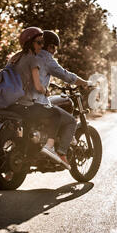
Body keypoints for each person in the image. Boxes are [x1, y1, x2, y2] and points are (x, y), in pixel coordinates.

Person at [6, 27, 67, 168]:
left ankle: (27, 151)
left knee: (30, 121)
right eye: (39, 43)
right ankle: (48, 148)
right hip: (26, 104)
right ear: (31, 44)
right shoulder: (33, 60)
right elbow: (38, 86)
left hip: (10, 103)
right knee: (56, 115)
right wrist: (45, 91)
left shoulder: (14, 58)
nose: (42, 46)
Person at [35, 30, 91, 166]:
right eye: (54, 47)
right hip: (36, 102)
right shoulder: (46, 58)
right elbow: (67, 76)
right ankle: (61, 152)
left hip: (19, 102)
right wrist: (84, 82)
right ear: (49, 46)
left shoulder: (27, 57)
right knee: (71, 121)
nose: (54, 51)